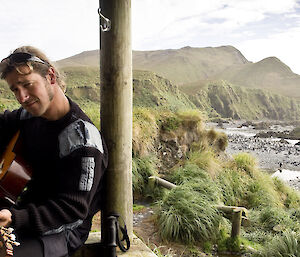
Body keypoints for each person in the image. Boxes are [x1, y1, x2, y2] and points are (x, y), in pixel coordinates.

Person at [0, 46, 108, 257]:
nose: (22, 97)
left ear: (50, 76)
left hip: (62, 232)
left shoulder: (83, 140)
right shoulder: (29, 116)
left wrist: (15, 218)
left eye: (27, 84)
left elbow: (72, 211)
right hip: (24, 213)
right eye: (15, 89)